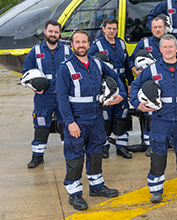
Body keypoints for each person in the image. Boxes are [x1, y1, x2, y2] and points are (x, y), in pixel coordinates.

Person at [56, 30, 127, 211]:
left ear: (89, 44)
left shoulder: (97, 63)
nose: (81, 45)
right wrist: (70, 122)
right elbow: (62, 98)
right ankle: (74, 193)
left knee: (95, 153)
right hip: (77, 121)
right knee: (75, 157)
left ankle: (96, 186)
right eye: (77, 42)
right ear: (72, 45)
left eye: (84, 42)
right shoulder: (66, 68)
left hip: (96, 119)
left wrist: (121, 95)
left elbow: (117, 77)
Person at [130, 34, 177, 203]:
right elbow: (134, 86)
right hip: (160, 120)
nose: (168, 50)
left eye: (171, 47)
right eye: (165, 47)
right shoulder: (152, 69)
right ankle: (156, 189)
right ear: (160, 50)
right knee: (158, 155)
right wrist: (137, 103)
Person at [23, 20, 72, 169]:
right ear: (45, 32)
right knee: (41, 125)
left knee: (65, 124)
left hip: (63, 95)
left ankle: (70, 154)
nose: (53, 34)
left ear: (60, 34)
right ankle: (37, 157)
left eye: (56, 32)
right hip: (44, 96)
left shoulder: (67, 51)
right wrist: (34, 86)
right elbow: (26, 71)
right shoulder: (36, 51)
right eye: (51, 31)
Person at [88, 17, 134, 159]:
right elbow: (90, 66)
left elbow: (126, 64)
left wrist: (130, 83)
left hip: (121, 83)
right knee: (105, 118)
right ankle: (104, 146)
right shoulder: (97, 45)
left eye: (114, 28)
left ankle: (122, 146)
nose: (112, 31)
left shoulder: (121, 43)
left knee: (122, 115)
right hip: (105, 85)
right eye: (109, 28)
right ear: (103, 29)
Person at [129, 16, 169, 156]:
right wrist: (137, 72)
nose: (158, 30)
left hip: (166, 84)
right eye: (155, 27)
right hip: (149, 85)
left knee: (166, 113)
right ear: (151, 29)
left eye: (160, 27)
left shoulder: (170, 42)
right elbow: (131, 60)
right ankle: (148, 143)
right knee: (149, 114)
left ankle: (165, 140)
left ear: (165, 28)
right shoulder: (144, 43)